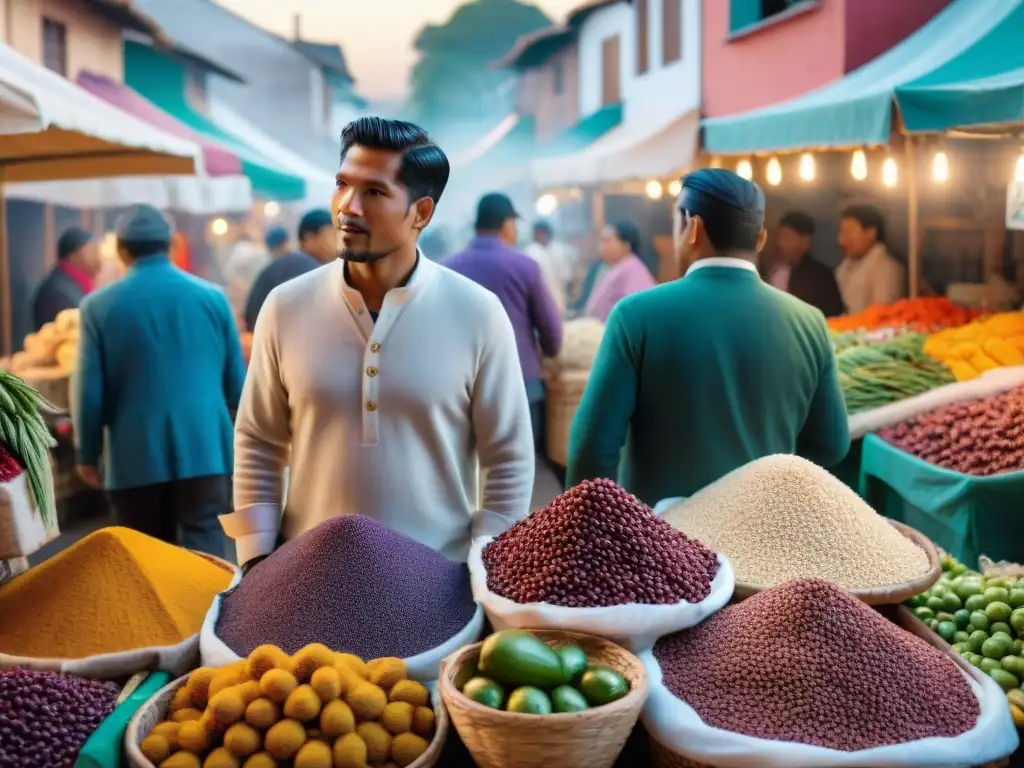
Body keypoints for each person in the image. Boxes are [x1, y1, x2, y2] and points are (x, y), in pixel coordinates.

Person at [223, 117, 534, 569]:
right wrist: (256, 562)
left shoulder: (477, 313)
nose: (348, 206)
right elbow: (258, 440)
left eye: (374, 192)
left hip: (438, 582)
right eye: (342, 185)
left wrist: (486, 567)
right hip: (303, 580)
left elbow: (507, 456)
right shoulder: (286, 307)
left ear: (421, 213)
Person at [566, 169, 850, 505]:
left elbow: (592, 447)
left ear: (692, 227)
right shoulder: (809, 322)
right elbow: (831, 445)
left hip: (664, 544)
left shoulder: (635, 315)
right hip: (764, 534)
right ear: (760, 239)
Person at [73, 205, 246, 557]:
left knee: (146, 558)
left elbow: (88, 391)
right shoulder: (213, 297)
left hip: (134, 454)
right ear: (169, 244)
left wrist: (87, 453)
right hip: (205, 449)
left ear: (122, 249)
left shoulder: (97, 307)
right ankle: (211, 611)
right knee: (207, 546)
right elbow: (238, 386)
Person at [444, 193, 563, 454]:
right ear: (506, 224)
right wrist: (550, 353)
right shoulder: (524, 266)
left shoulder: (447, 267)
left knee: (469, 469)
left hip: (460, 385)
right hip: (520, 383)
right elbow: (551, 329)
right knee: (518, 465)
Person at [243, 210, 334, 331]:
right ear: (309, 238)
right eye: (332, 235)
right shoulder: (301, 269)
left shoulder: (294, 265)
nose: (340, 242)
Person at [769, 211, 845, 317]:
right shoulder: (776, 271)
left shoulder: (821, 275)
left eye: (787, 237)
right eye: (780, 237)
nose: (781, 243)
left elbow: (832, 314)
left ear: (805, 240)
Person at [835, 204, 905, 314]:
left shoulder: (886, 268)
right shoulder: (844, 267)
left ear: (871, 233)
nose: (842, 240)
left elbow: (882, 315)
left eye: (848, 232)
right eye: (841, 232)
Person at [585, 221, 656, 322]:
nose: (601, 246)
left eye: (607, 240)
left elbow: (638, 311)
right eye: (601, 241)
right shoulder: (613, 267)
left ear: (626, 246)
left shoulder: (633, 270)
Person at [32, 226, 100, 329]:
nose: (99, 259)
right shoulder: (56, 292)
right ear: (73, 257)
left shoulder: (75, 284)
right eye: (92, 252)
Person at [523, 220, 573, 312]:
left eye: (544, 232)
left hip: (559, 303)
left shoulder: (559, 251)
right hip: (540, 306)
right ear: (534, 234)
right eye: (539, 233)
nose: (542, 235)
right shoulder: (531, 253)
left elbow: (566, 280)